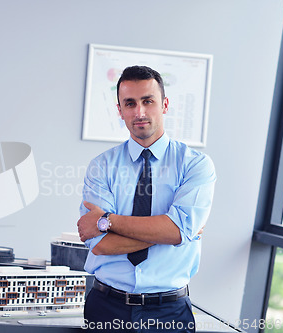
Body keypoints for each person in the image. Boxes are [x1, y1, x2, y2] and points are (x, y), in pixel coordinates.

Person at [77, 65, 216, 332]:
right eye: (130, 103)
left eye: (148, 101)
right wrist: (175, 230)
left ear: (164, 104)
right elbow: (100, 244)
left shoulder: (195, 165)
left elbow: (176, 230)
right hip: (106, 307)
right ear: (120, 110)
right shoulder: (101, 167)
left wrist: (107, 221)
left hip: (169, 313)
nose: (139, 112)